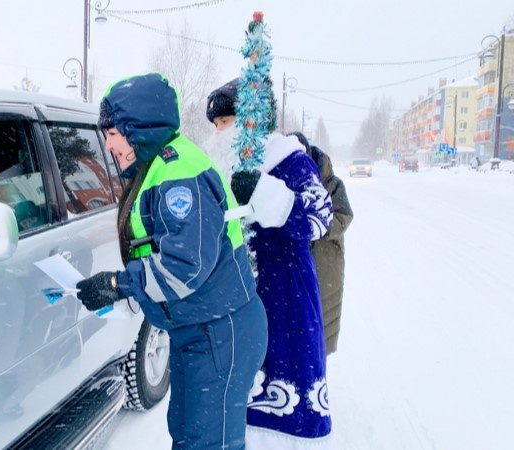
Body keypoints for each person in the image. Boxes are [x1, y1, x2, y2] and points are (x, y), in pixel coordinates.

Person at [75, 73, 268, 450]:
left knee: (209, 443)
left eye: (112, 133)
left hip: (220, 331)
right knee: (186, 432)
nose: (108, 144)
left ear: (138, 127)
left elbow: (184, 267)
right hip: (197, 327)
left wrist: (117, 285)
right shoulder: (157, 166)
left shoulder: (180, 175)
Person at [205, 78, 334, 447]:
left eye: (225, 122)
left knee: (286, 387)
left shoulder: (290, 160)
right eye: (216, 124)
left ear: (250, 121)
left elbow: (320, 215)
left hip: (286, 292)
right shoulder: (220, 166)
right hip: (237, 293)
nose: (219, 132)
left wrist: (265, 194)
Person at [290, 132, 354, 356]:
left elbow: (344, 215)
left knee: (323, 318)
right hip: (295, 262)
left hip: (325, 261)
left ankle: (317, 367)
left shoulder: (330, 183)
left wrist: (316, 225)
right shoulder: (282, 180)